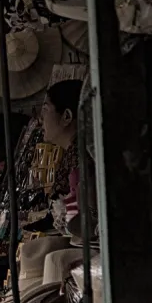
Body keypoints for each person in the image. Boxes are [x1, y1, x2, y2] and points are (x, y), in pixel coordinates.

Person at [39, 79, 90, 235]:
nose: (41, 119)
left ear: (66, 116)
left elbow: (76, 218)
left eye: (45, 110)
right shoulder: (73, 154)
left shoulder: (80, 159)